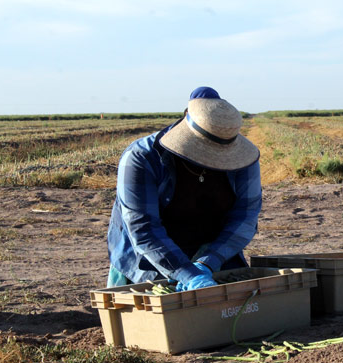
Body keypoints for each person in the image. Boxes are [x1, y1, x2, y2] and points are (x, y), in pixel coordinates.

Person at [106, 87, 262, 291]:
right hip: (149, 258)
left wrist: (207, 263)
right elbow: (143, 229)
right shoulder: (142, 158)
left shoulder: (244, 160)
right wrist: (187, 274)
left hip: (214, 253)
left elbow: (246, 217)